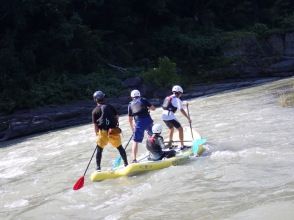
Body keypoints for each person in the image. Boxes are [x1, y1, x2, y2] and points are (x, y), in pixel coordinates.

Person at [92, 90, 128, 171]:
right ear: (103, 98)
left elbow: (95, 125)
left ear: (95, 100)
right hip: (113, 131)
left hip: (103, 132)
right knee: (120, 148)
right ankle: (126, 163)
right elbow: (117, 116)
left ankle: (98, 168)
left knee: (99, 150)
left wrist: (97, 134)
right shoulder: (110, 106)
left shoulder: (94, 111)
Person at [128, 89, 156, 163]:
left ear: (132, 97)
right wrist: (148, 108)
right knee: (153, 136)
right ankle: (156, 152)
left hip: (139, 123)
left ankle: (134, 159)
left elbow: (130, 119)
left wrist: (132, 129)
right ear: (139, 95)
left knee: (135, 141)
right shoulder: (143, 100)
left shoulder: (130, 104)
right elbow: (153, 108)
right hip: (148, 121)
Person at [161, 85, 191, 150]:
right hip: (170, 116)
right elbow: (181, 110)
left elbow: (173, 104)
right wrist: (188, 118)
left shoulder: (168, 97)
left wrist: (183, 104)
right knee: (180, 129)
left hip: (163, 116)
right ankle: (182, 145)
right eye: (181, 94)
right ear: (179, 93)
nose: (181, 95)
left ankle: (170, 144)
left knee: (171, 129)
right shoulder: (177, 99)